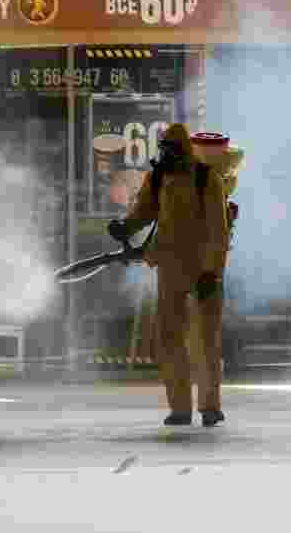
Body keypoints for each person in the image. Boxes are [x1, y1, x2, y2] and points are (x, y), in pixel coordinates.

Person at [108, 123, 230, 427]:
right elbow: (144, 211)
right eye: (164, 149)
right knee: (169, 338)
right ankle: (180, 408)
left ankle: (210, 406)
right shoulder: (159, 176)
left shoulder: (206, 178)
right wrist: (126, 227)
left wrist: (212, 272)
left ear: (184, 150)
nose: (165, 154)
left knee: (205, 340)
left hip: (203, 268)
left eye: (170, 149)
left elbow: (219, 230)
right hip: (170, 267)